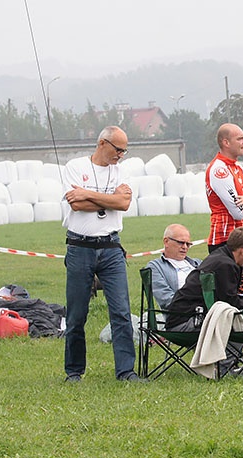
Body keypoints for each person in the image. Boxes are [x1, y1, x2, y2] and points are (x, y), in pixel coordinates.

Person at [61, 126, 142, 382]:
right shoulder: (75, 167)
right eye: (117, 149)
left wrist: (88, 193)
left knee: (120, 311)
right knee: (76, 314)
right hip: (80, 247)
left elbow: (124, 203)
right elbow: (76, 204)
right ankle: (74, 370)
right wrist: (107, 198)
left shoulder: (123, 170)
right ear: (102, 143)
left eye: (124, 150)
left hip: (111, 248)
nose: (121, 154)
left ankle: (126, 371)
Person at [166, 227, 243, 331]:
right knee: (240, 319)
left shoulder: (221, 256)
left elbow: (227, 299)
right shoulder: (226, 265)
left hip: (195, 312)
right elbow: (231, 303)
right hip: (187, 321)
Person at [205, 123, 243, 294]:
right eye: (240, 138)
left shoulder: (237, 167)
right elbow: (237, 211)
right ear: (226, 142)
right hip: (224, 241)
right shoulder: (219, 170)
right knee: (233, 295)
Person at [145, 224, 201, 309]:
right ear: (166, 241)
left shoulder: (198, 263)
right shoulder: (156, 266)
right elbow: (166, 299)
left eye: (188, 244)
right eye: (180, 243)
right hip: (184, 315)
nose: (185, 247)